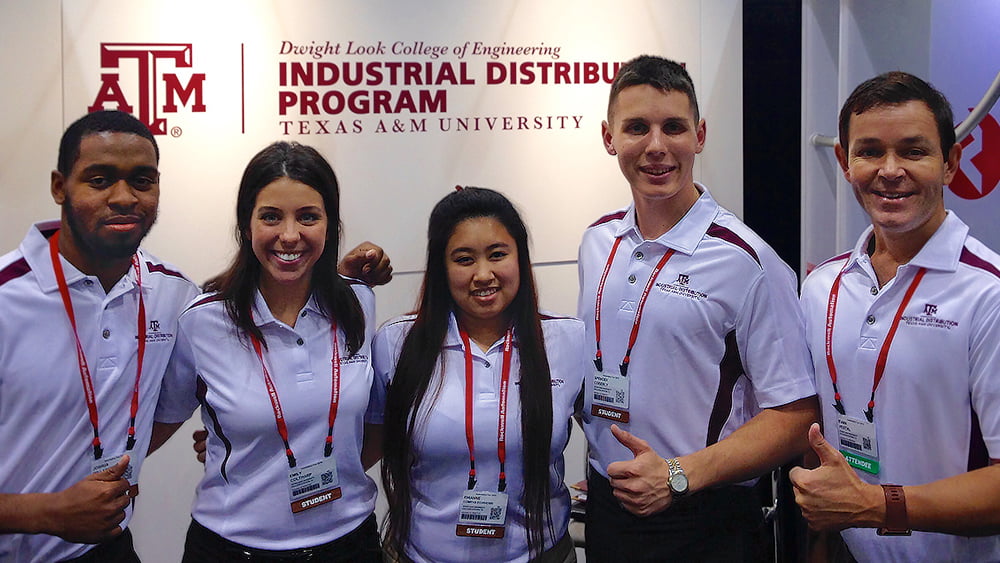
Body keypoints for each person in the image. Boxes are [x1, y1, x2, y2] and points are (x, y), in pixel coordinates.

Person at [577, 55, 819, 561]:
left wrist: (678, 476)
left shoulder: (748, 261)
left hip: (705, 515)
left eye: (674, 127)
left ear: (701, 135)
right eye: (637, 128)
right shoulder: (598, 241)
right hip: (608, 506)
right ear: (608, 137)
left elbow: (796, 416)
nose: (657, 147)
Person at [790, 71, 1000, 561]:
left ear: (950, 162)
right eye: (869, 151)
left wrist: (875, 506)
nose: (889, 170)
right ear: (844, 162)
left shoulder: (987, 292)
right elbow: (820, 432)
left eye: (912, 151)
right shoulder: (824, 286)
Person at [151, 141, 383, 562]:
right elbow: (157, 422)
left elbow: (367, 422)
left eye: (308, 217)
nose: (290, 235)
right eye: (271, 217)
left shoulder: (358, 303)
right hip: (233, 548)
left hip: (350, 543)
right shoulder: (202, 321)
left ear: (330, 224)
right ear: (246, 223)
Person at [0, 110, 200, 562]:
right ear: (59, 187)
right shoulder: (6, 298)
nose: (124, 197)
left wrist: (335, 282)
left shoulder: (174, 293)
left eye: (142, 180)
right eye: (99, 179)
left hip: (109, 550)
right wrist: (47, 512)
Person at [373, 187, 586, 562]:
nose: (483, 274)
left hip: (539, 555)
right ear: (441, 267)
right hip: (421, 555)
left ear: (520, 258)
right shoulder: (396, 344)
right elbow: (359, 446)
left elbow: (614, 440)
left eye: (498, 255)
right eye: (464, 259)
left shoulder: (567, 341)